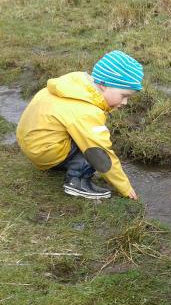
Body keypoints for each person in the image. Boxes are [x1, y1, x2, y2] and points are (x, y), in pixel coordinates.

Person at [16, 50, 143, 200]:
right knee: (93, 148)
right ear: (103, 85)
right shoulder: (86, 111)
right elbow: (100, 152)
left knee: (87, 135)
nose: (125, 102)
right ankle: (76, 183)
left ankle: (60, 163)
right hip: (43, 151)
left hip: (33, 144)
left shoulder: (75, 87)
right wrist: (125, 187)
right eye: (124, 96)